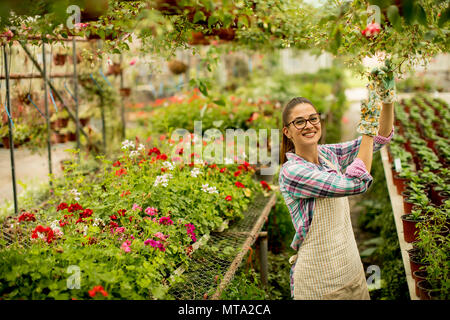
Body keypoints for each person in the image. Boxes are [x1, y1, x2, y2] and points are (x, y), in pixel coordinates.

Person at [278, 62, 396, 300]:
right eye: (299, 122)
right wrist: (366, 128)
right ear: (287, 132)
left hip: (352, 270)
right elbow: (356, 183)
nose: (309, 125)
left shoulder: (328, 155)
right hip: (318, 283)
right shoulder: (293, 172)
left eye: (313, 118)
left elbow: (379, 140)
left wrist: (386, 100)